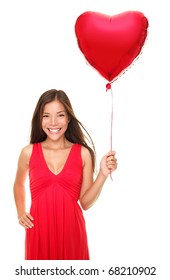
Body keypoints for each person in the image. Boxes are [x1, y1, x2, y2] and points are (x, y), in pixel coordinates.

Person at [13, 89, 117, 260]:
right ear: (39, 119)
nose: (53, 122)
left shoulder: (83, 153)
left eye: (60, 115)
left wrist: (103, 174)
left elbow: (85, 202)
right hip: (38, 231)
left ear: (68, 118)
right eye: (46, 116)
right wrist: (20, 212)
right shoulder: (28, 152)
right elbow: (18, 184)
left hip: (72, 233)